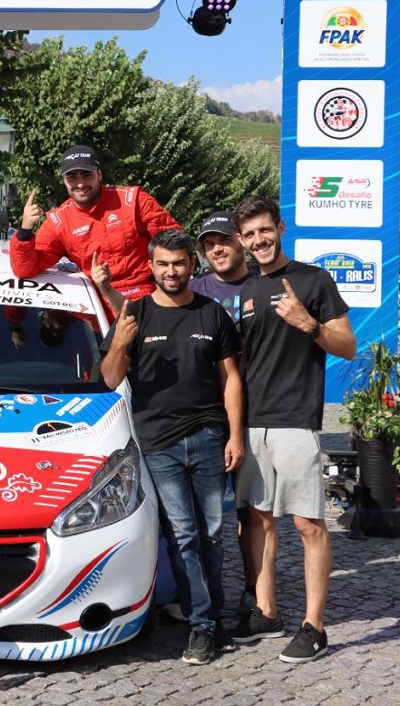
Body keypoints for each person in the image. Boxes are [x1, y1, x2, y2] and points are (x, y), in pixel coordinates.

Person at [100, 229, 244, 665]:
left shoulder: (213, 314)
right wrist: (122, 343)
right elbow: (108, 378)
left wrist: (236, 435)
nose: (171, 271)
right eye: (163, 263)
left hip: (209, 439)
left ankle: (211, 616)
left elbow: (231, 379)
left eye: (179, 263)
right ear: (151, 265)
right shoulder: (135, 313)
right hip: (158, 444)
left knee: (214, 535)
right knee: (183, 536)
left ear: (191, 265)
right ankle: (203, 625)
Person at [230, 195, 356, 663]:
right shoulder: (245, 290)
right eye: (250, 235)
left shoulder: (313, 280)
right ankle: (265, 611)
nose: (259, 240)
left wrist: (309, 324)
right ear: (242, 241)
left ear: (280, 228)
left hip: (296, 421)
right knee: (258, 519)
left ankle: (315, 627)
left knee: (308, 524)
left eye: (265, 230)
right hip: (253, 424)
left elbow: (347, 346)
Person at [10, 145, 180, 315]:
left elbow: (176, 244)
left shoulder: (133, 201)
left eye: (86, 175)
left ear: (99, 175)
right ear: (64, 180)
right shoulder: (59, 221)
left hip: (148, 303)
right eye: (72, 177)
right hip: (99, 310)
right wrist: (25, 230)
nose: (80, 184)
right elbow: (24, 269)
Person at [189, 210, 259, 617]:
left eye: (224, 240)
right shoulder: (193, 287)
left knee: (251, 513)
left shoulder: (262, 284)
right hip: (203, 417)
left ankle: (252, 592)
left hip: (256, 414)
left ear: (241, 242)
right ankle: (200, 597)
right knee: (202, 518)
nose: (216, 248)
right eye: (208, 243)